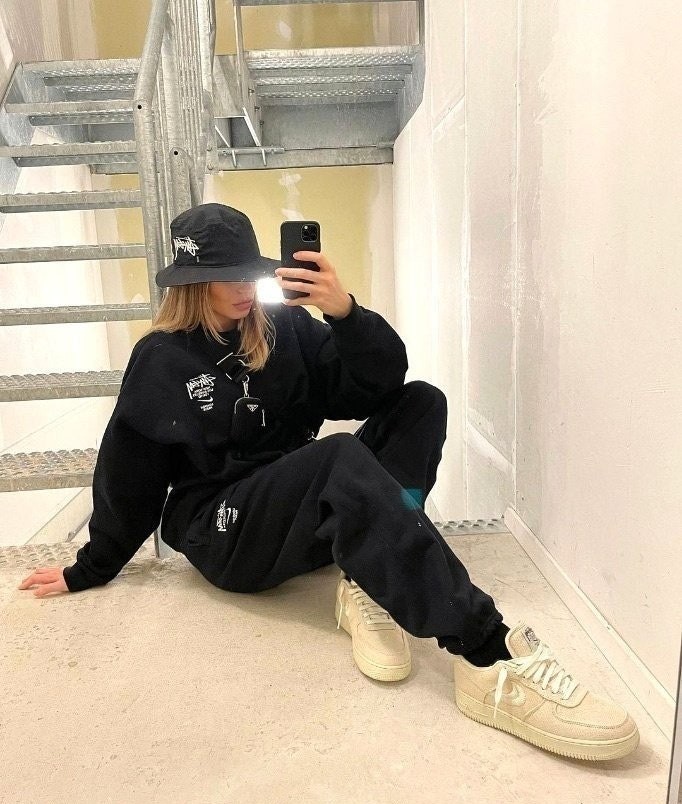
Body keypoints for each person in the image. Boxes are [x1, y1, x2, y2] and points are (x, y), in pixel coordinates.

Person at [19, 203, 639, 761]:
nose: (243, 288)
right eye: (226, 276)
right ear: (190, 283)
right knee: (336, 456)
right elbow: (128, 474)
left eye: (249, 273)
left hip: (299, 509)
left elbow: (375, 387)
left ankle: (368, 577)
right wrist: (91, 567)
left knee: (421, 402)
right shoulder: (162, 358)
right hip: (225, 532)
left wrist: (344, 314)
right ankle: (486, 652)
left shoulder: (285, 328)